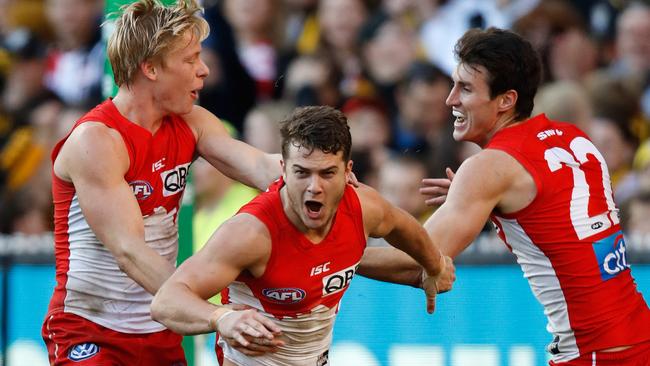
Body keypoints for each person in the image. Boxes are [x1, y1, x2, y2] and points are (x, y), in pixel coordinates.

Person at [40, 1, 282, 365]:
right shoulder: (96, 140)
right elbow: (130, 252)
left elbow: (262, 167)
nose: (204, 71)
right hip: (90, 331)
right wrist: (217, 315)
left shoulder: (191, 120)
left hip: (160, 332)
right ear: (150, 68)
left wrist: (323, 176)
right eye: (190, 60)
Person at [151, 105, 455, 366]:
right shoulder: (251, 232)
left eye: (327, 173)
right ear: (283, 169)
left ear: (348, 172)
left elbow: (404, 228)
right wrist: (221, 318)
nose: (314, 187)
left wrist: (433, 266)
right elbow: (166, 301)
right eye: (301, 173)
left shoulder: (364, 207)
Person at [420, 27, 650, 365]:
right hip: (637, 335)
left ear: (506, 100)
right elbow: (561, 220)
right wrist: (481, 196)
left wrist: (338, 238)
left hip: (596, 353)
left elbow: (418, 259)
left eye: (465, 88)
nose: (450, 99)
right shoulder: (573, 138)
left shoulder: (491, 167)